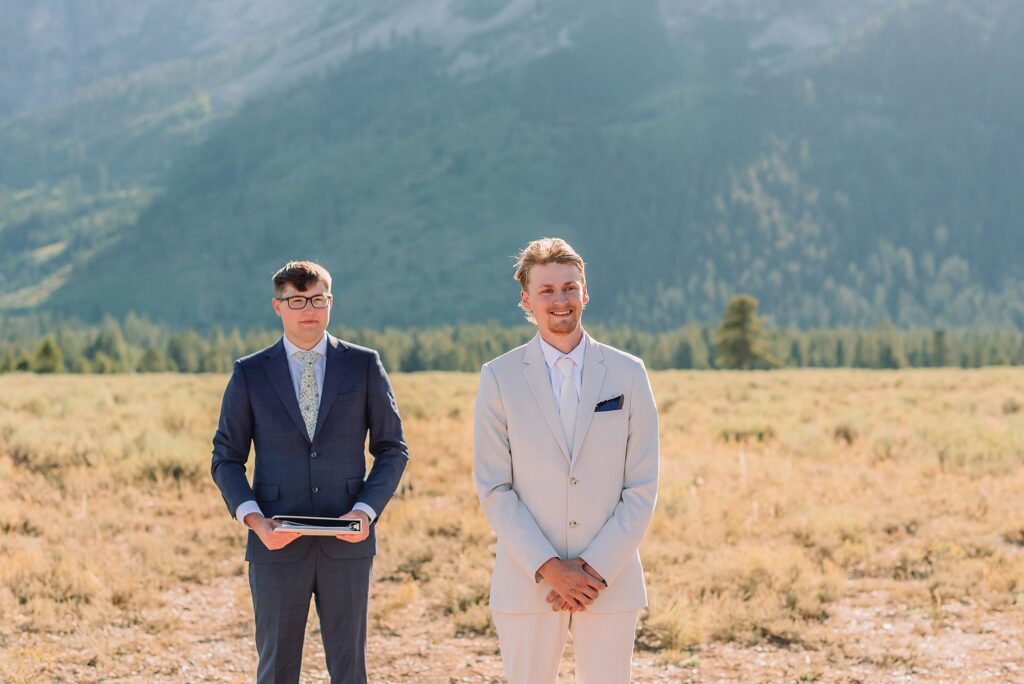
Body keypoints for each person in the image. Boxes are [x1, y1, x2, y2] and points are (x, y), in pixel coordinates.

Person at [211, 260, 408, 684]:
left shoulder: (363, 365)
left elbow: (392, 449)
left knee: (350, 670)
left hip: (348, 542)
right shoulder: (250, 372)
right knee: (277, 669)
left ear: (330, 302)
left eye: (317, 299)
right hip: (275, 544)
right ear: (277, 306)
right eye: (297, 300)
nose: (308, 309)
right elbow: (226, 457)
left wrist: (365, 512)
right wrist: (254, 520)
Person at [474, 237, 660, 683]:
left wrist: (594, 569)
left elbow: (642, 485)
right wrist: (550, 568)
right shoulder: (498, 377)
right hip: (528, 581)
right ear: (527, 300)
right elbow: (495, 487)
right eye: (547, 290)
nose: (560, 300)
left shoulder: (627, 373)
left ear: (585, 292)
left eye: (569, 288)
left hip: (609, 582)